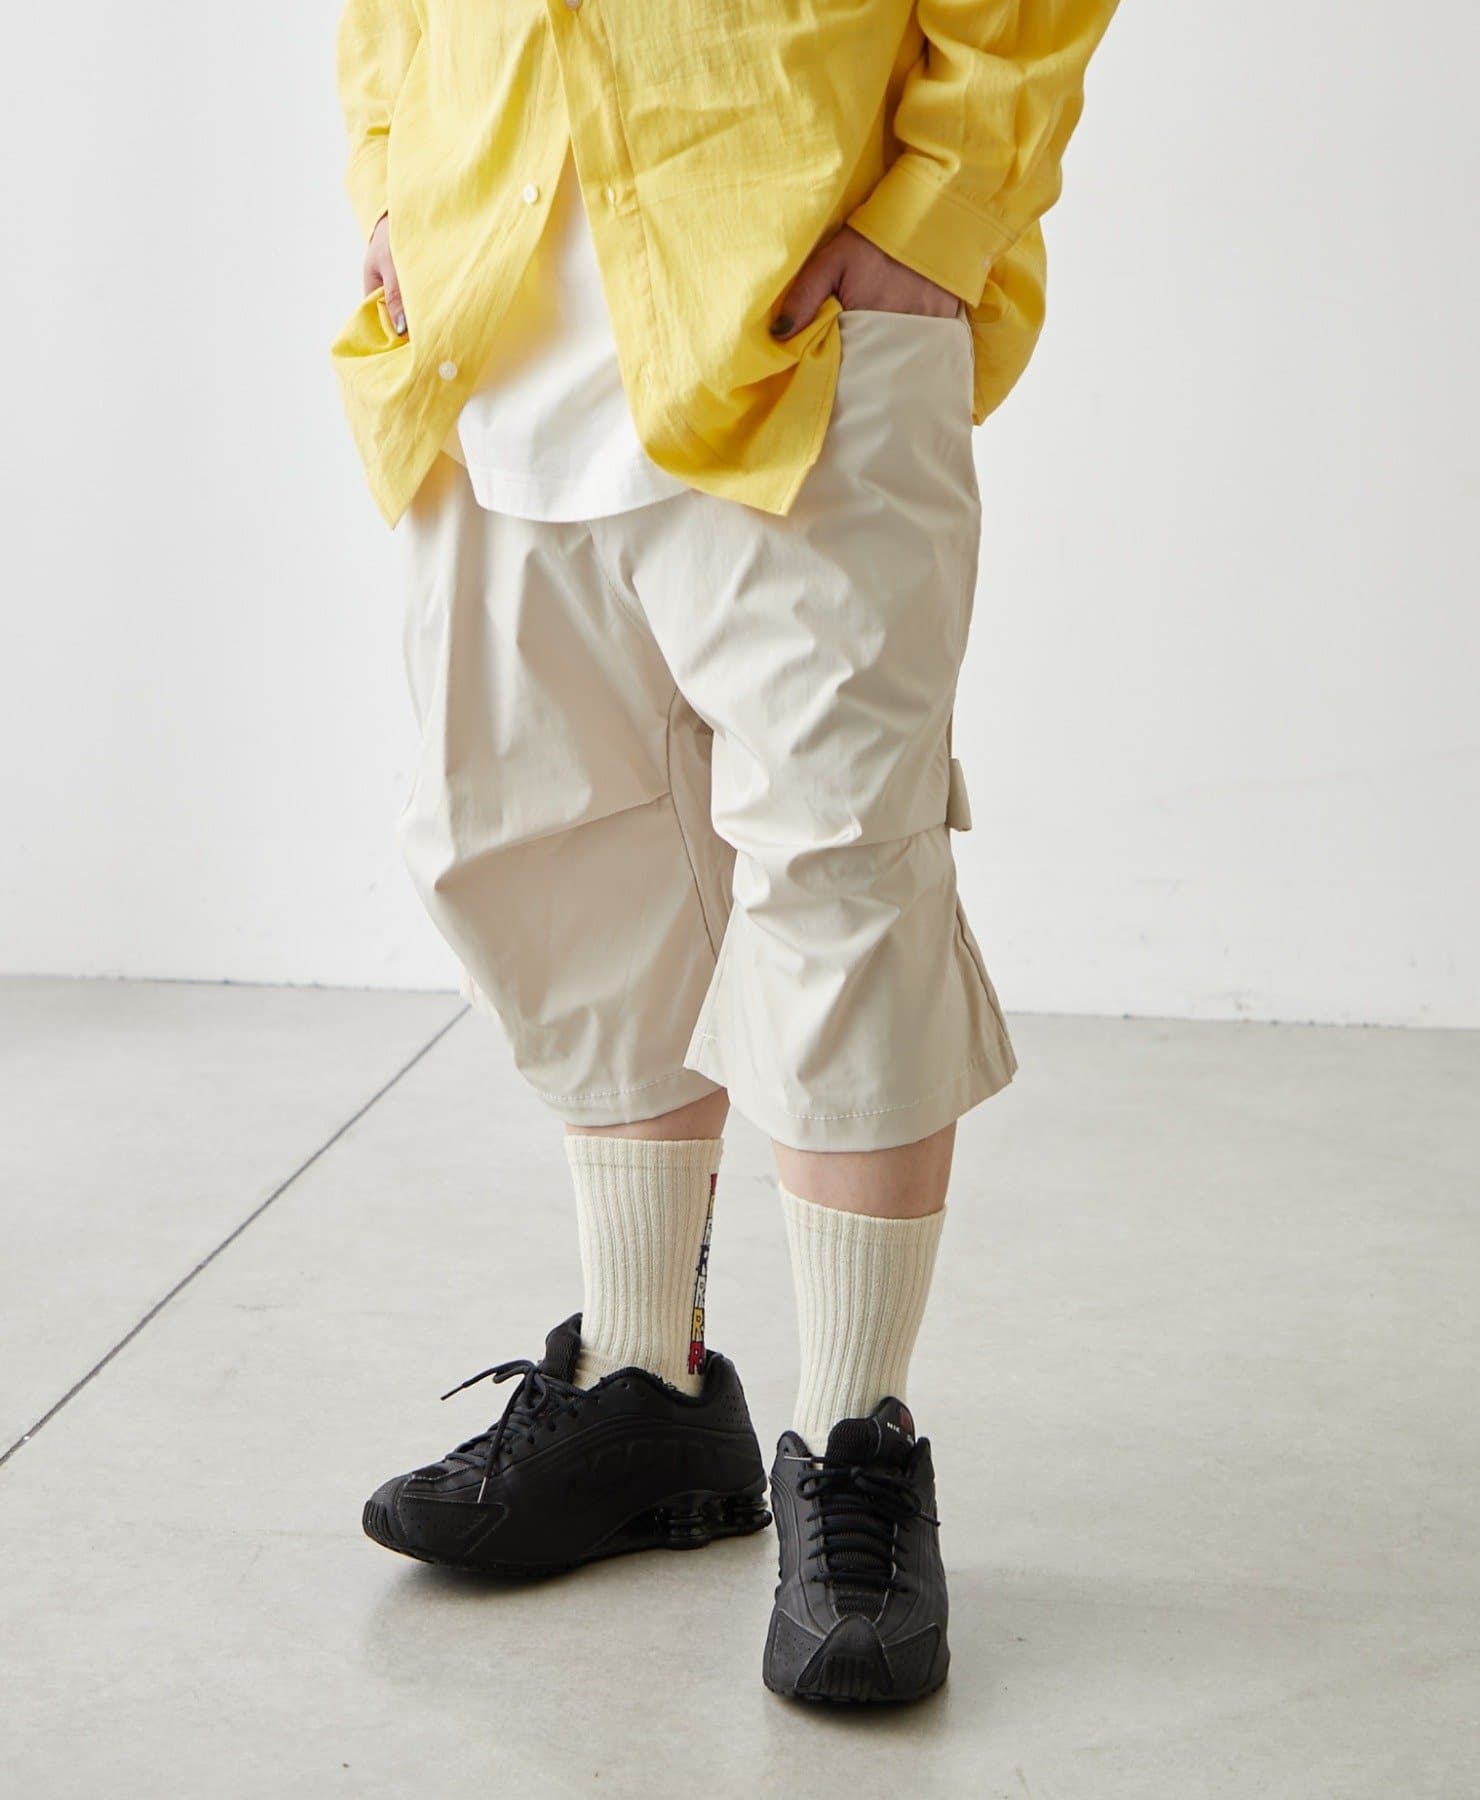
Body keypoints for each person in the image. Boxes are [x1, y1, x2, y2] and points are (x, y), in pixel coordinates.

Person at [334, 0, 1116, 1706]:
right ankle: (645, 1393)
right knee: (534, 848)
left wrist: (938, 215)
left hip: (797, 290)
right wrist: (391, 179)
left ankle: (854, 1445)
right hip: (486, 317)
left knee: (844, 867)